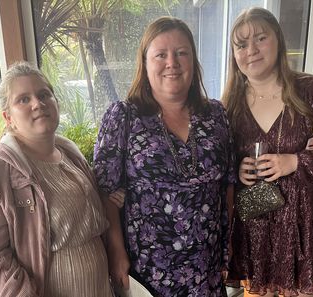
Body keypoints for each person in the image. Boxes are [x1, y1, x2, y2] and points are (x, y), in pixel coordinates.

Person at [221, 7, 313, 297]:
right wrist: (235, 168)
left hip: (301, 225)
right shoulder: (228, 105)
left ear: (278, 41)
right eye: (242, 44)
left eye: (261, 38)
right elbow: (214, 163)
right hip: (254, 228)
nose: (252, 50)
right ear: (234, 54)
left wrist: (296, 161)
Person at [93, 16, 236, 296]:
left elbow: (228, 185)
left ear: (193, 62)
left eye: (182, 53)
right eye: (161, 54)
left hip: (206, 268)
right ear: (145, 64)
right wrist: (115, 251)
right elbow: (104, 192)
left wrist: (227, 244)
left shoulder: (217, 115)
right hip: (148, 269)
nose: (172, 62)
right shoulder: (123, 117)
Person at [0, 61, 113, 297]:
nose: (38, 103)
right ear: (8, 117)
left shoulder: (71, 155)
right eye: (23, 99)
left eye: (44, 94)